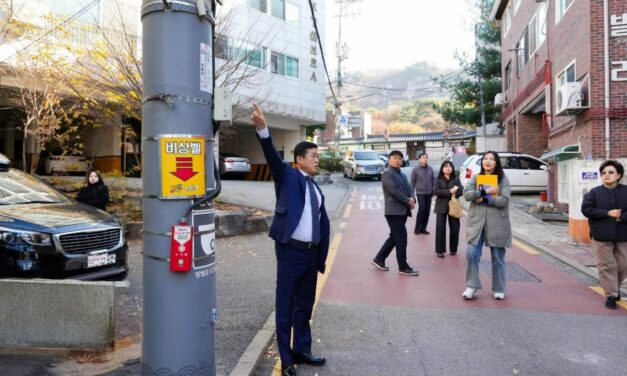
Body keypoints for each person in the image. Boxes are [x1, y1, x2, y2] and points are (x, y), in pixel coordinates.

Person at [250, 103, 328, 376]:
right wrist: (263, 130)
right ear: (300, 159)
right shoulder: (287, 176)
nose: (318, 159)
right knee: (285, 305)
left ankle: (301, 350)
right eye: (314, 156)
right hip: (290, 252)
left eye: (318, 156)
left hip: (310, 253)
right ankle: (286, 359)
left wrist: (320, 255)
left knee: (304, 305)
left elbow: (321, 221)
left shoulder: (316, 186)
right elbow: (271, 156)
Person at [462, 151, 512, 300]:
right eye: (485, 159)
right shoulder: (476, 177)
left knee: (497, 256)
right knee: (471, 253)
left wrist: (483, 199)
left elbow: (504, 200)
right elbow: (467, 194)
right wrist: (487, 191)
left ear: (496, 162)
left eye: (491, 159)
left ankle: (499, 288)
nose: (488, 161)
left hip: (497, 222)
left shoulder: (503, 179)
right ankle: (471, 286)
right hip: (477, 221)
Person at [581, 160, 627, 309]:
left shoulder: (626, 191)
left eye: (611, 172)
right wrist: (607, 213)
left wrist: (621, 216)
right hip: (601, 235)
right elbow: (586, 209)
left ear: (619, 175)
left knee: (623, 265)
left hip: (623, 235)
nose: (606, 175)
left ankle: (615, 288)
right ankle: (611, 295)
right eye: (604, 173)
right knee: (607, 266)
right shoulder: (594, 193)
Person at [371, 150, 419, 276]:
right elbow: (394, 191)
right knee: (402, 239)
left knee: (395, 237)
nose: (398, 160)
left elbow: (409, 188)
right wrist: (408, 201)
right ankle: (403, 267)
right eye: (395, 158)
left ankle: (379, 259)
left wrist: (412, 198)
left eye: (400, 159)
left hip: (402, 210)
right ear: (389, 160)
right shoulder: (387, 173)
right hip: (393, 212)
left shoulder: (401, 174)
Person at [433, 161, 463, 258]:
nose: (448, 168)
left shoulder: (456, 180)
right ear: (442, 169)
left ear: (452, 168)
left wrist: (455, 193)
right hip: (441, 206)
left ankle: (453, 249)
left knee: (455, 228)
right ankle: (440, 250)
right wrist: (449, 191)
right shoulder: (437, 180)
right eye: (445, 166)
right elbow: (435, 191)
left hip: (453, 206)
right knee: (440, 228)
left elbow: (461, 191)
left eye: (450, 166)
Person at [410, 152, 434, 235]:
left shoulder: (430, 169)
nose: (425, 159)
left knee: (427, 211)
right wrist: (412, 195)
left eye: (426, 157)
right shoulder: (415, 169)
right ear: (419, 159)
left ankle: (423, 228)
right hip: (420, 193)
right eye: (423, 157)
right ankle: (417, 228)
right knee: (422, 209)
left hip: (429, 193)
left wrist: (433, 190)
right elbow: (412, 183)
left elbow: (432, 181)